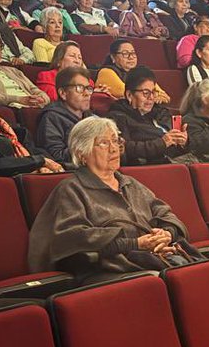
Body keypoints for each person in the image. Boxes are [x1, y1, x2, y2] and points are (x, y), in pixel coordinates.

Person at [28, 116, 197, 276]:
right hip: (113, 269)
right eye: (103, 143)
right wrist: (136, 244)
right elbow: (73, 238)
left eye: (115, 141)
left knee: (202, 272)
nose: (114, 148)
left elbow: (165, 213)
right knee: (167, 280)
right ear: (81, 153)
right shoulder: (71, 189)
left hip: (157, 258)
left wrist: (167, 234)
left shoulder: (129, 183)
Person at [106, 66, 189, 165]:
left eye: (153, 92)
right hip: (150, 167)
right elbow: (126, 148)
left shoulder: (161, 113)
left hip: (180, 161)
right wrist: (162, 143)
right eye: (145, 93)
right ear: (129, 95)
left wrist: (184, 142)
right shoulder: (118, 117)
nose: (151, 98)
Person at [35, 66, 96, 165]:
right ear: (63, 93)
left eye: (88, 88)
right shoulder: (51, 117)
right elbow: (56, 156)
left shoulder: (92, 118)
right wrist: (91, 147)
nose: (87, 94)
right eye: (79, 88)